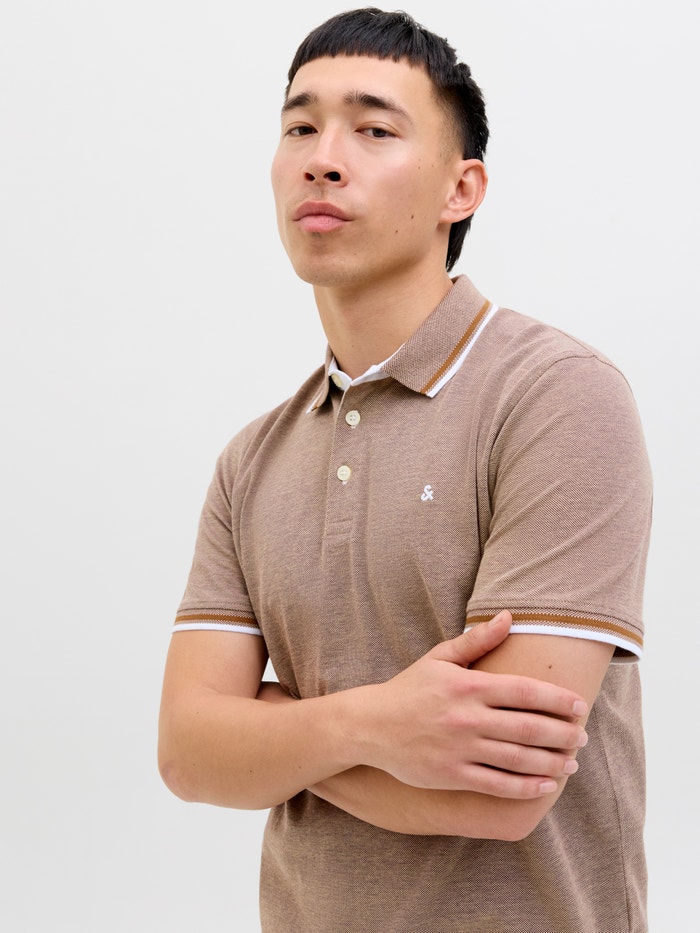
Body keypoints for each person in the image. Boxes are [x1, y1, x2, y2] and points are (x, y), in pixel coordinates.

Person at [158, 8, 652, 931]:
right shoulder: (251, 460)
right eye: (300, 127)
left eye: (374, 130)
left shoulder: (557, 397)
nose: (322, 158)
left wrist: (271, 729)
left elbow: (497, 790)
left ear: (461, 188)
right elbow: (187, 754)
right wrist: (378, 724)